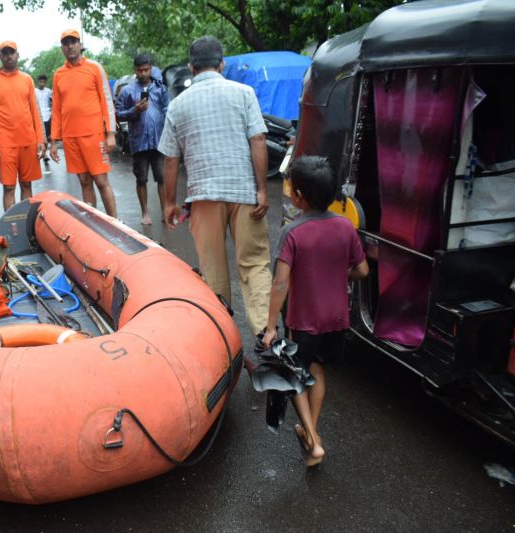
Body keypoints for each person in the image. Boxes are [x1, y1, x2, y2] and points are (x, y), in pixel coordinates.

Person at [159, 35, 271, 335]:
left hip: (204, 196)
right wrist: (261, 189)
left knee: (214, 272)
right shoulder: (244, 92)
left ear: (190, 68)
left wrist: (169, 203)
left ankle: (225, 341)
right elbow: (258, 139)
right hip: (245, 193)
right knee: (254, 265)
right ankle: (266, 337)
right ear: (221, 64)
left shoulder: (178, 105)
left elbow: (171, 159)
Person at [262, 156, 369, 467]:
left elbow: (280, 284)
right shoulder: (345, 226)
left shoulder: (292, 232)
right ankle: (311, 432)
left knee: (295, 375)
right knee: (318, 370)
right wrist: (338, 276)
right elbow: (362, 270)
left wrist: (270, 328)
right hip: (336, 318)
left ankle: (313, 439)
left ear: (298, 195)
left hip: (304, 321)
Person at [50, 29, 118, 218]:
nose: (70, 46)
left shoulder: (94, 67)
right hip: (71, 137)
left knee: (101, 180)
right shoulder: (58, 75)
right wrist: (54, 141)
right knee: (84, 181)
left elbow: (107, 101)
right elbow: (57, 109)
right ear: (62, 48)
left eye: (73, 42)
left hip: (94, 135)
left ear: (80, 44)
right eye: (66, 43)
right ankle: (94, 224)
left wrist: (110, 133)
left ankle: (116, 223)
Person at [0, 41, 45, 211]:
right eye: (5, 53)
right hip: (5, 144)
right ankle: (11, 227)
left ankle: (26, 226)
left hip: (28, 141)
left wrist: (41, 139)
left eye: (12, 52)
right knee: (9, 187)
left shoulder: (27, 79)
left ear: (18, 55)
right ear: (0, 57)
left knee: (26, 185)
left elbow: (36, 112)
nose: (9, 56)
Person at [115, 53, 169, 225]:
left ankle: (165, 211)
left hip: (158, 141)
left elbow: (167, 110)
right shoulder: (127, 91)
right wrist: (134, 110)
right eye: (140, 70)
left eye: (146, 70)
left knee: (162, 178)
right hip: (138, 142)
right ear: (135, 71)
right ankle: (145, 213)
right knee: (141, 179)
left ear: (151, 68)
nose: (143, 73)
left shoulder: (160, 88)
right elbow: (118, 114)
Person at [35, 74, 53, 172]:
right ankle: (44, 153)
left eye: (43, 81)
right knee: (41, 137)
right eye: (40, 81)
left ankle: (44, 152)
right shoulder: (34, 91)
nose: (42, 83)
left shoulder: (49, 91)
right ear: (38, 82)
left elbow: (54, 100)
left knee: (47, 137)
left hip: (47, 116)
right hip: (38, 117)